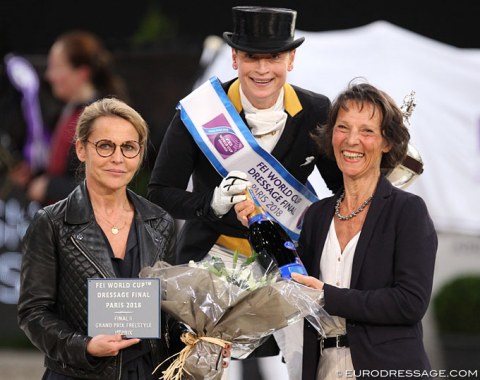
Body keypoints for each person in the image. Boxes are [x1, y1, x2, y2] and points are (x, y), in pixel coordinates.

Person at [147, 5, 342, 376]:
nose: (263, 69)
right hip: (208, 267)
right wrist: (213, 202)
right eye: (253, 56)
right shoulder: (201, 111)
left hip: (284, 266)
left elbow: (339, 188)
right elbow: (160, 192)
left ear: (292, 59)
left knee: (293, 370)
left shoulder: (317, 110)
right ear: (235, 58)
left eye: (275, 57)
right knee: (206, 370)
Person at [237, 81, 438, 379]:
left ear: (387, 142)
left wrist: (327, 296)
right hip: (322, 368)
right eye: (343, 128)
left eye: (367, 131)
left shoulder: (407, 211)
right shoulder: (317, 215)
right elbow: (293, 286)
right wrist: (256, 226)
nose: (352, 140)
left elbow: (410, 303)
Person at [17, 98, 176, 380]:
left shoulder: (160, 221)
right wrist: (85, 347)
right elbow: (33, 313)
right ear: (81, 149)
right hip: (78, 373)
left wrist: (203, 339)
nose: (118, 158)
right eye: (105, 146)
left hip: (147, 373)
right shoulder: (51, 223)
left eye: (129, 147)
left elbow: (172, 309)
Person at [26, 30, 129, 205]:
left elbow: (106, 184)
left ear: (82, 73)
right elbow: (62, 168)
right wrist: (33, 175)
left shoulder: (103, 119)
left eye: (56, 67)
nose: (49, 76)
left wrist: (49, 186)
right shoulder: (65, 111)